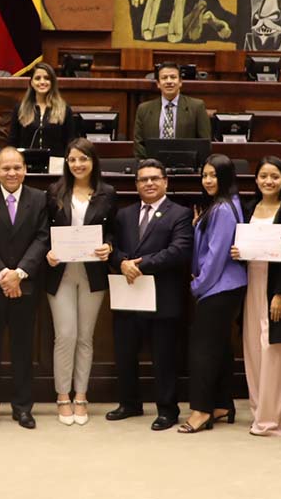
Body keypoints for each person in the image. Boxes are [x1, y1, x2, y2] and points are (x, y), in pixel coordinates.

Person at [107, 158, 194, 431]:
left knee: (164, 357)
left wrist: (138, 265)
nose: (149, 183)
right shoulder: (124, 214)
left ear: (166, 181)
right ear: (136, 184)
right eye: (143, 179)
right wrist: (121, 262)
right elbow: (114, 248)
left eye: (155, 178)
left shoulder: (179, 213)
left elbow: (179, 251)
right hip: (128, 294)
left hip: (163, 297)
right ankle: (129, 403)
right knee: (125, 352)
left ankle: (168, 410)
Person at [0, 146, 49, 430]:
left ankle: (23, 407)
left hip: (25, 286)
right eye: (6, 168)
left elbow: (43, 239)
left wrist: (20, 274)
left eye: (17, 167)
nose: (12, 173)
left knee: (23, 350)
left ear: (25, 169)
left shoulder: (40, 198)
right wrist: (5, 275)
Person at [233, 156, 281, 437]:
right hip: (252, 283)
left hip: (277, 287)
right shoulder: (249, 207)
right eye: (263, 176)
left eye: (274, 176)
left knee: (273, 351)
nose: (268, 181)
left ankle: (273, 420)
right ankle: (258, 412)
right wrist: (237, 253)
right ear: (256, 179)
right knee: (252, 348)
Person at [44, 138, 114, 425]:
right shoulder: (54, 192)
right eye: (72, 159)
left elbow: (112, 232)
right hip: (60, 271)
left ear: (93, 162)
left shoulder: (107, 193)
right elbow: (43, 230)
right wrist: (47, 252)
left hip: (92, 273)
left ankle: (81, 395)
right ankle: (62, 395)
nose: (77, 164)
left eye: (83, 159)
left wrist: (108, 247)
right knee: (66, 335)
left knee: (85, 336)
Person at [180, 154, 246, 433]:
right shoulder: (221, 205)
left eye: (213, 175)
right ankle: (221, 404)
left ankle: (201, 410)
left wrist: (197, 286)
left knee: (202, 351)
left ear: (226, 177)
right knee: (219, 349)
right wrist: (198, 227)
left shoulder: (222, 209)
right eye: (204, 175)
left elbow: (217, 255)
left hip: (219, 286)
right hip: (225, 286)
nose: (207, 180)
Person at [133, 62, 211, 158]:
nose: (169, 81)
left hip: (186, 166)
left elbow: (204, 143)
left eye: (173, 77)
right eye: (164, 78)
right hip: (154, 166)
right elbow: (138, 143)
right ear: (158, 84)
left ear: (180, 82)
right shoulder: (144, 109)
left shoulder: (197, 107)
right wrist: (147, 164)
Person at [9, 62, 77, 155]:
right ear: (31, 83)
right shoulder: (20, 109)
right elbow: (13, 141)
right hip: (26, 163)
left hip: (55, 164)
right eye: (37, 78)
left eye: (47, 78)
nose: (42, 82)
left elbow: (70, 142)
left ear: (52, 82)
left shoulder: (64, 109)